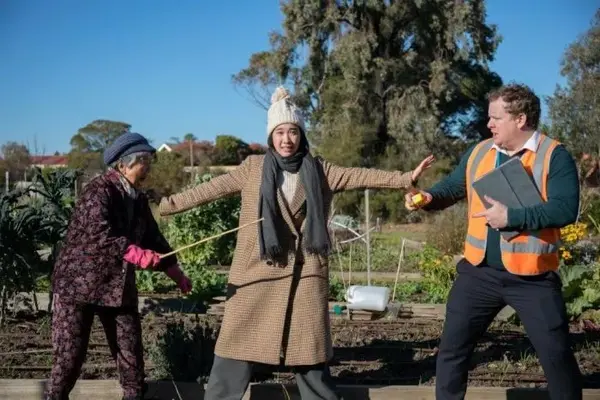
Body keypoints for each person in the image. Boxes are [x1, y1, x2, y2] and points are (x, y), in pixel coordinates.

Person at [159, 86, 435, 400]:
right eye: (280, 132)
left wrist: (404, 178)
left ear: (301, 135)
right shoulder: (253, 168)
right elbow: (210, 189)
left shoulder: (320, 170)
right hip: (256, 273)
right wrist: (168, 204)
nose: (286, 139)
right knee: (235, 350)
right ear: (270, 136)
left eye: (293, 131)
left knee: (310, 354)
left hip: (304, 275)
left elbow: (361, 175)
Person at [405, 83, 583, 400]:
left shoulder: (555, 156)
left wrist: (512, 217)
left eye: (496, 118)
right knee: (451, 352)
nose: (489, 124)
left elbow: (565, 209)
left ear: (521, 119)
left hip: (532, 278)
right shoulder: (479, 152)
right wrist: (427, 198)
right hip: (478, 273)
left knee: (556, 356)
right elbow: (450, 189)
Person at [45, 132, 193, 400]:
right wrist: (133, 253)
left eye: (149, 161)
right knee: (69, 360)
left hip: (118, 288)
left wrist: (174, 271)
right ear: (123, 165)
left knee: (132, 362)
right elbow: (97, 233)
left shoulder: (137, 198)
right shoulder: (98, 191)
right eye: (143, 162)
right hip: (78, 287)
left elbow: (153, 237)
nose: (147, 167)